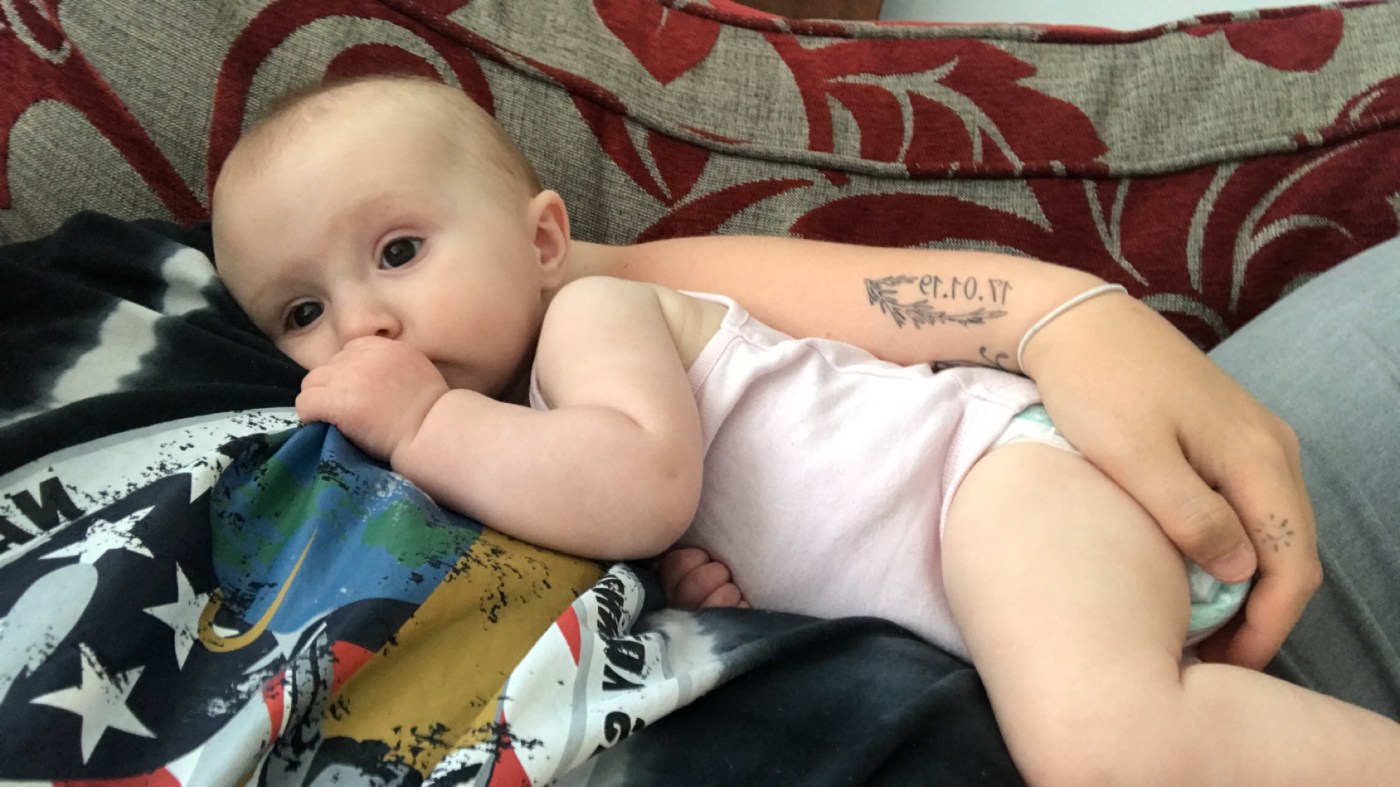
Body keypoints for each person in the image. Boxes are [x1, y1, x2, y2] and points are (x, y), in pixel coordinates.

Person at [210, 75, 1399, 783]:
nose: (362, 323)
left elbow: (636, 482)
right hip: (979, 574)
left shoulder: (589, 315)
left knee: (1106, 749)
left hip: (993, 482)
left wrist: (421, 419)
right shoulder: (521, 425)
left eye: (399, 251)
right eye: (301, 313)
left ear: (540, 239)